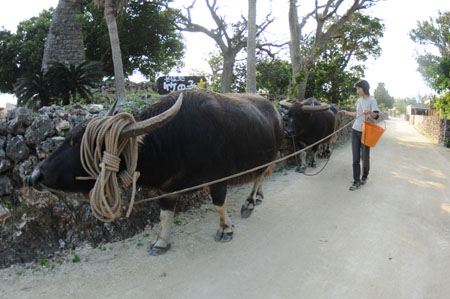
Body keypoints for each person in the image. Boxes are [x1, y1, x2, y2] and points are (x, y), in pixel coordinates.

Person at [339, 80, 379, 191]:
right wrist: (346, 113)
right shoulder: (359, 101)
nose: (357, 91)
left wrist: (370, 113)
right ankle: (356, 181)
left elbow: (376, 116)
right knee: (355, 157)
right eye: (357, 88)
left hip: (366, 132)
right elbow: (357, 114)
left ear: (364, 88)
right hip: (355, 130)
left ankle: (364, 176)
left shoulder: (372, 100)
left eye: (359, 88)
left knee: (364, 157)